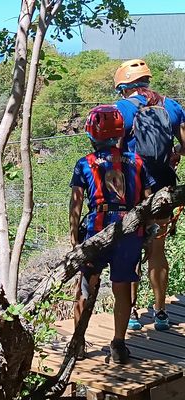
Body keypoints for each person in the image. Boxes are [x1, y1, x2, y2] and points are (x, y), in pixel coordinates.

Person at [70, 105, 154, 363]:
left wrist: (74, 238)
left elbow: (76, 201)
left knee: (85, 285)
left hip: (98, 227)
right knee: (122, 288)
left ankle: (78, 342)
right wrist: (147, 233)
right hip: (130, 228)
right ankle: (118, 344)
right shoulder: (138, 161)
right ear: (120, 133)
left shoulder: (85, 163)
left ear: (92, 135)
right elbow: (149, 199)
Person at [113, 59, 185, 331]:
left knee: (132, 248)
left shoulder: (122, 109)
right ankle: (161, 312)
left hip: (133, 188)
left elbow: (114, 152)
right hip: (165, 186)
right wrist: (174, 155)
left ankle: (131, 313)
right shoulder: (172, 106)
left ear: (123, 87)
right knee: (158, 249)